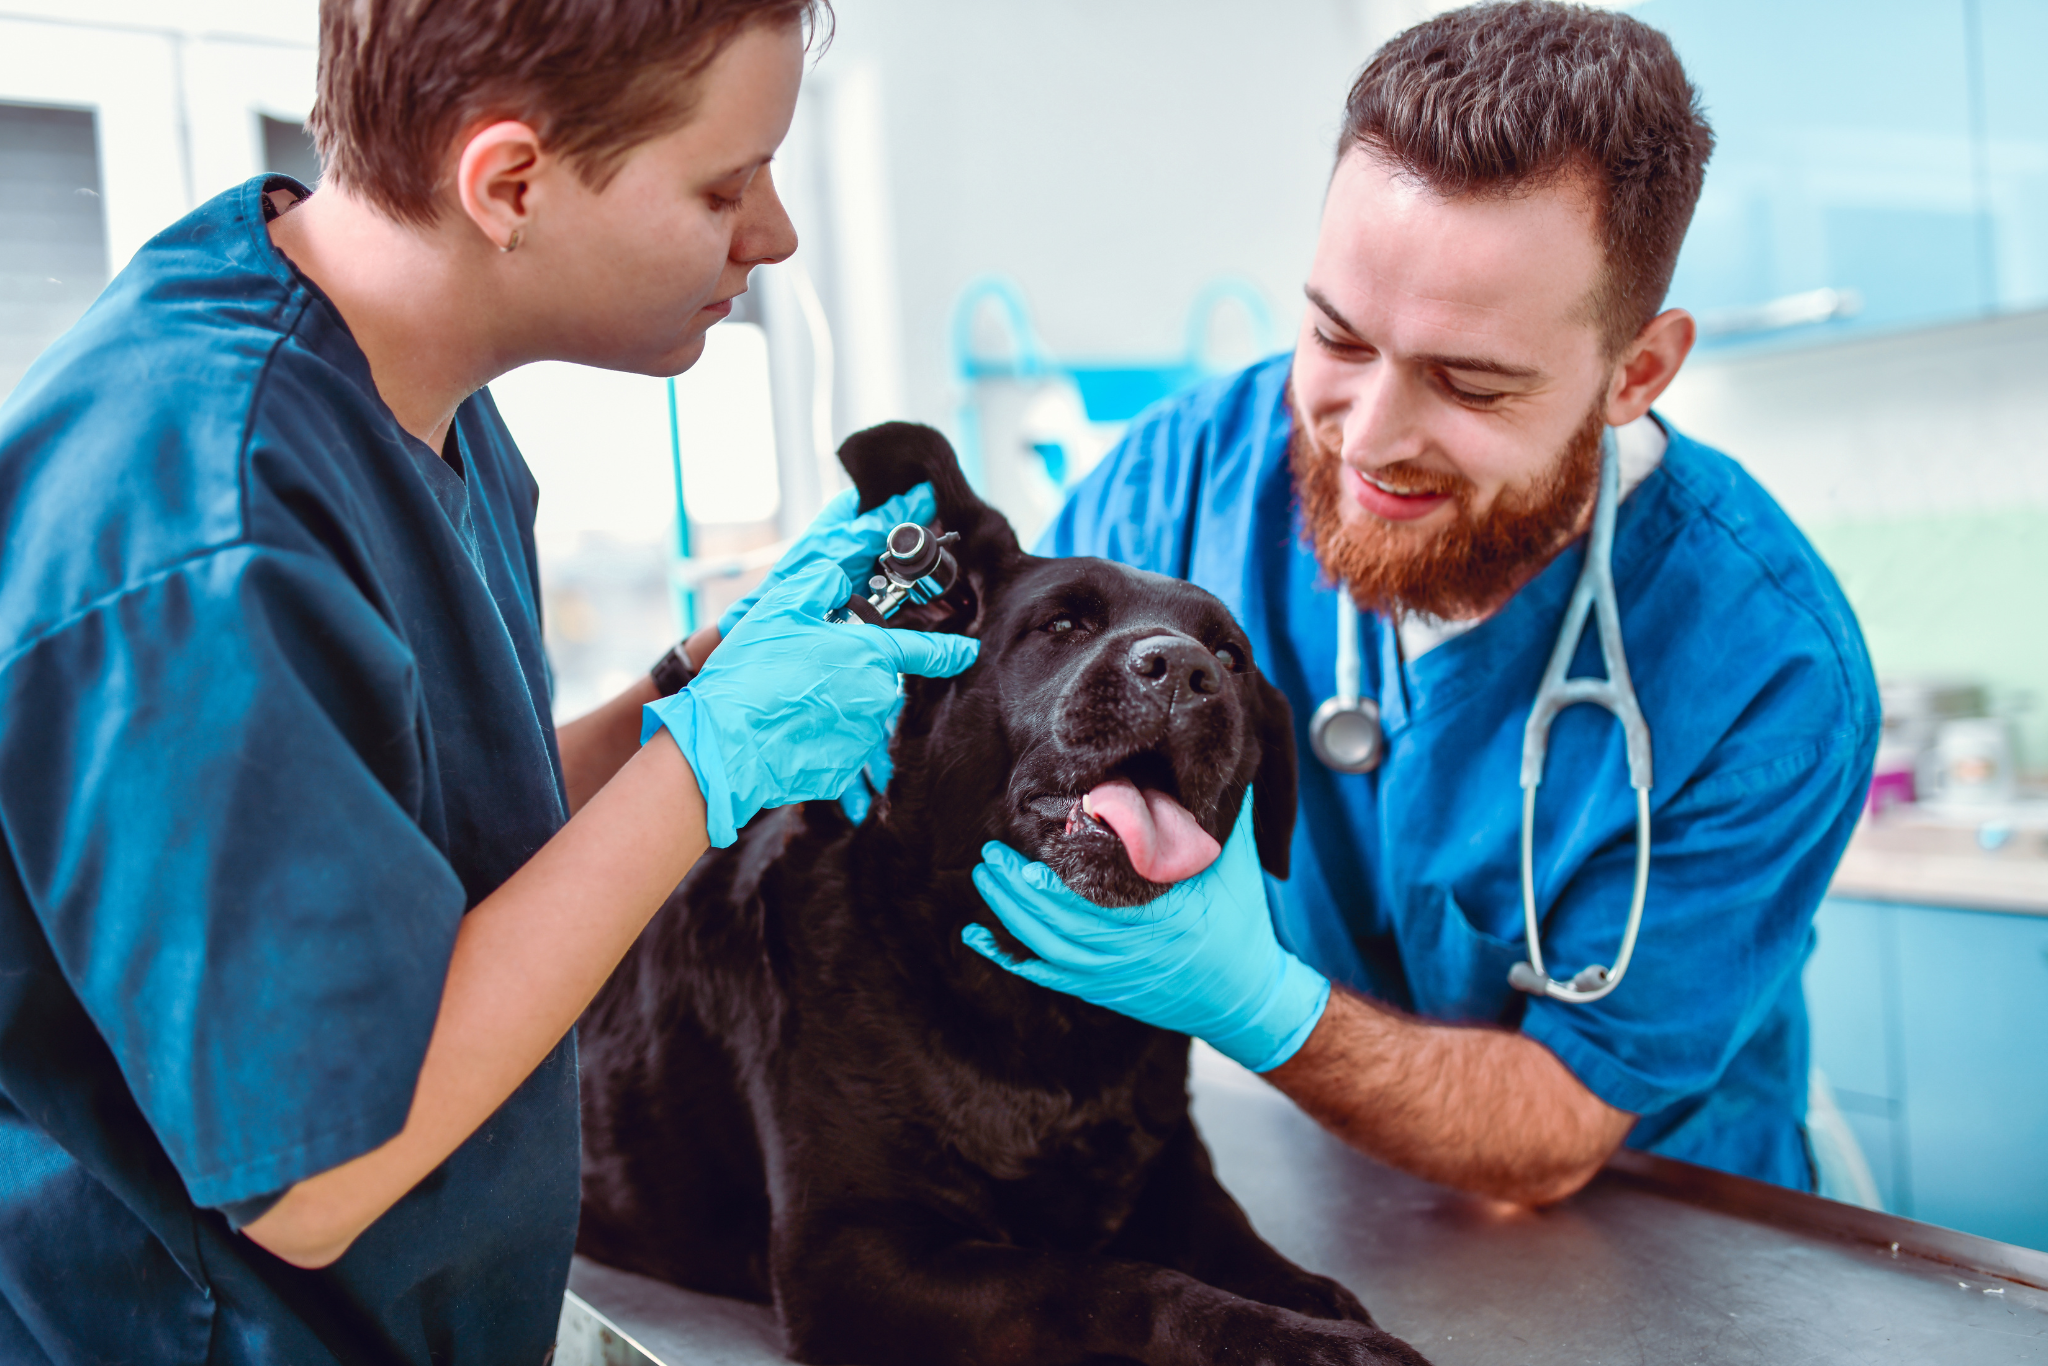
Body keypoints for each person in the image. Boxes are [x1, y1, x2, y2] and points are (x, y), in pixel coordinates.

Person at [0, 2, 979, 1362]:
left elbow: (437, 832)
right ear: (509, 183)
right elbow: (316, 1172)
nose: (775, 236)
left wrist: (689, 691)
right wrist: (703, 771)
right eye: (725, 183)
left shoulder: (412, 395)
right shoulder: (207, 522)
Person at [967, 1, 1880, 1207]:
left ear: (1636, 372)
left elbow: (1556, 1127)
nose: (1370, 439)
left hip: (1667, 1236)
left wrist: (1254, 1001)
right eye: (1337, 339)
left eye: (1469, 381)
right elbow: (989, 721)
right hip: (1339, 1192)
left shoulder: (1768, 670)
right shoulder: (1183, 480)